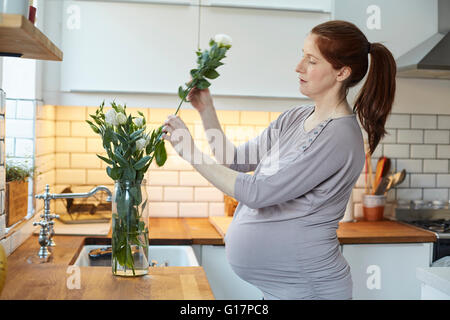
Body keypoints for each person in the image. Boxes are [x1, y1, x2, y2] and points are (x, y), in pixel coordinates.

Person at [161, 20, 396, 300]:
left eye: (311, 61)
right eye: (302, 56)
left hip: (311, 291)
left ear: (342, 72)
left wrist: (190, 152)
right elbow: (233, 159)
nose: (298, 67)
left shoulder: (340, 135)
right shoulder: (295, 118)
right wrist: (206, 109)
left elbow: (259, 193)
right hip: (281, 290)